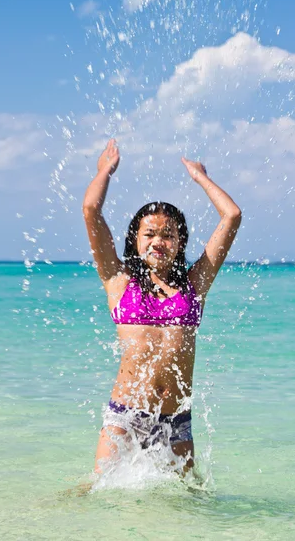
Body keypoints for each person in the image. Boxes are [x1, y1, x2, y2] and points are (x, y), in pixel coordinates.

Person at [83, 139, 241, 474]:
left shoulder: (194, 286)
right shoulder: (118, 282)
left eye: (168, 235)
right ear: (135, 241)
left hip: (176, 424)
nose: (158, 241)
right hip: (123, 420)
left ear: (180, 242)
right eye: (149, 234)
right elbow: (90, 211)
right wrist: (104, 171)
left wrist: (200, 178)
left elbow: (232, 215)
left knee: (190, 506)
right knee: (98, 497)